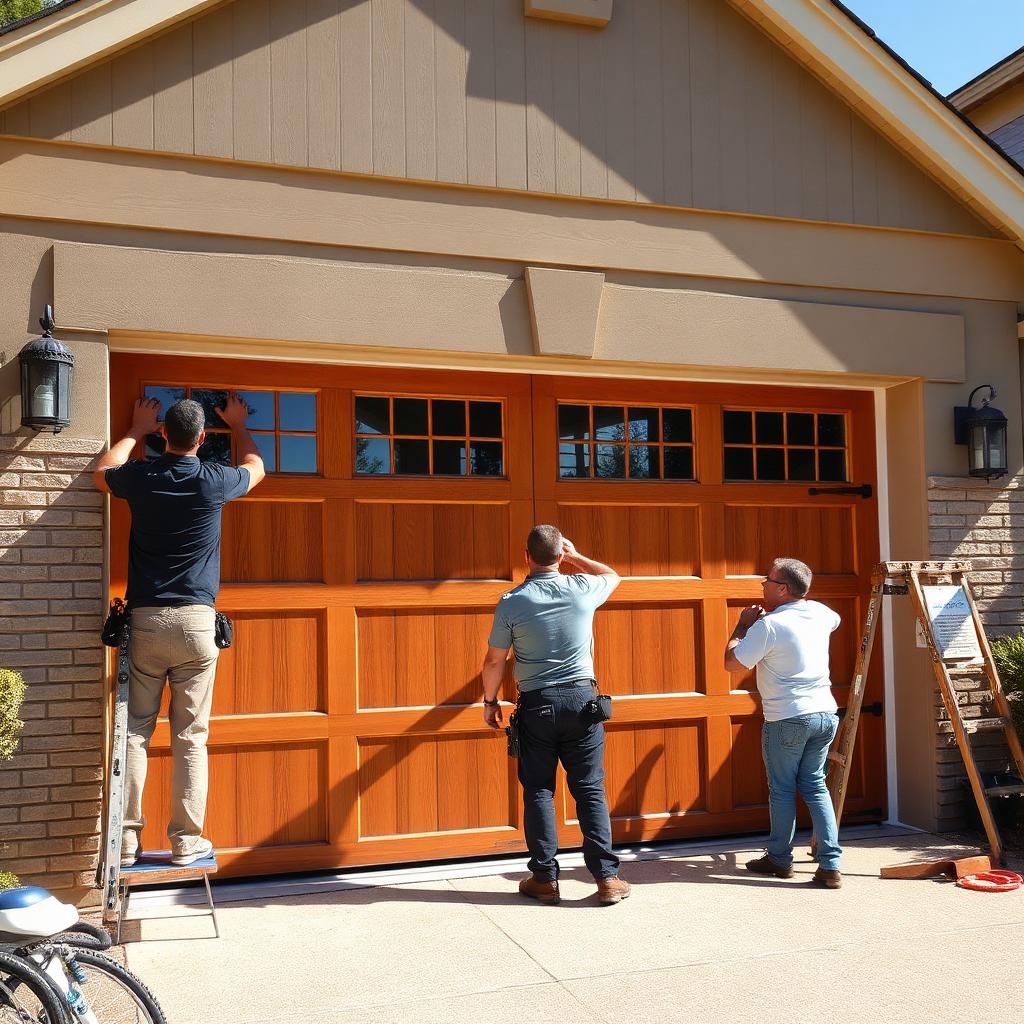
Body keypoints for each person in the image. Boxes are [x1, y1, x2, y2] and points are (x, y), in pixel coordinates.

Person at [93, 394, 265, 866]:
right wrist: (239, 425)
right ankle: (186, 843)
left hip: (145, 622)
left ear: (164, 434)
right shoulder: (214, 480)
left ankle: (125, 844)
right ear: (203, 438)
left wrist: (134, 429)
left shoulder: (143, 477)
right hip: (195, 624)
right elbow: (256, 466)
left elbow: (99, 472)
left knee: (133, 734)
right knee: (191, 737)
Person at [481, 524, 630, 905]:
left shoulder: (512, 600)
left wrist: (490, 702)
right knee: (590, 789)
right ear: (560, 555)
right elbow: (612, 575)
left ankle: (545, 880)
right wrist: (577, 555)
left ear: (525, 556)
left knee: (539, 790)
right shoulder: (583, 589)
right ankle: (608, 879)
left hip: (537, 706)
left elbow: (495, 659)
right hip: (582, 703)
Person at [724, 557, 843, 888]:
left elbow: (732, 664)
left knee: (782, 789)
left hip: (787, 717)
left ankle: (779, 859)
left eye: (767, 581)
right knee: (815, 784)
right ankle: (830, 865)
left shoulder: (768, 626)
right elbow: (835, 620)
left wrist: (743, 625)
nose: (762, 585)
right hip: (824, 713)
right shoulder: (820, 613)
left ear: (783, 588)